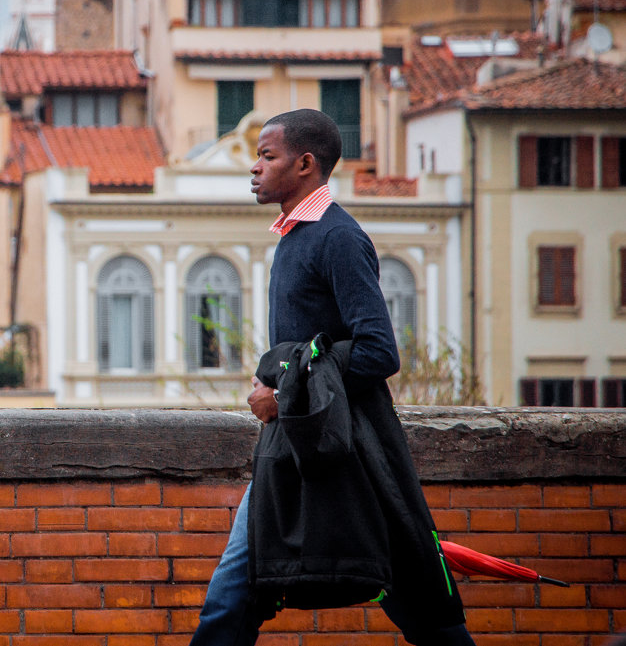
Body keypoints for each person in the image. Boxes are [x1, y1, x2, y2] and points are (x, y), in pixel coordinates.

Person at [188, 108, 475, 646]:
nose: (254, 168)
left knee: (416, 593)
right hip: (303, 440)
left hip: (348, 445)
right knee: (241, 589)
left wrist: (283, 393)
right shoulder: (295, 237)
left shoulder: (338, 238)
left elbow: (378, 351)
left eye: (266, 156)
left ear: (305, 164)